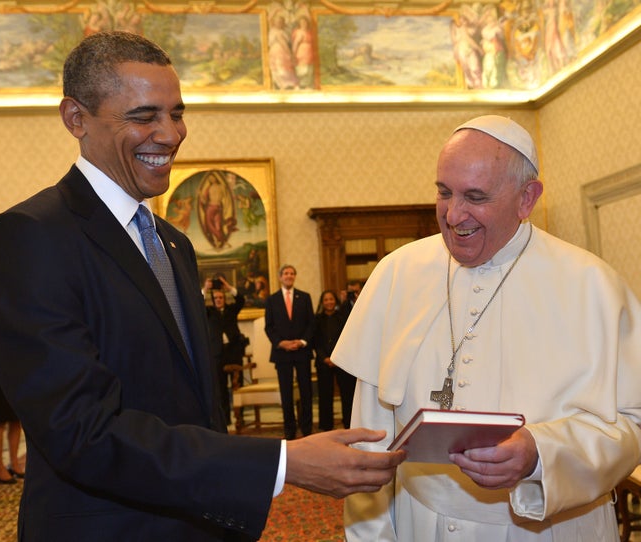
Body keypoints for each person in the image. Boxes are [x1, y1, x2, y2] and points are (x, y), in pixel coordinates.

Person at [0, 31, 403, 542]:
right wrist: (284, 462)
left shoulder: (172, 242)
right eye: (144, 116)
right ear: (75, 119)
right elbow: (82, 433)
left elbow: (194, 406)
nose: (172, 134)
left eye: (176, 113)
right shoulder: (29, 237)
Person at [332, 114, 641, 541]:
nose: (453, 214)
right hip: (421, 523)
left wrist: (540, 454)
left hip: (550, 528)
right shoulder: (397, 274)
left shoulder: (592, 286)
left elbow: (632, 424)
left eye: (475, 196)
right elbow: (370, 436)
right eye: (444, 192)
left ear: (526, 198)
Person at [264, 265, 316, 440]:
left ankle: (307, 427)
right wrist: (281, 343)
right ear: (280, 277)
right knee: (286, 394)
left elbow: (311, 324)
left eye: (292, 273)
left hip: (302, 351)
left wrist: (301, 342)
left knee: (306, 391)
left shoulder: (305, 297)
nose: (289, 276)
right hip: (282, 353)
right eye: (286, 273)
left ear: (295, 277)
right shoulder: (272, 300)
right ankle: (289, 429)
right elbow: (269, 327)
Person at [204, 275, 247, 425]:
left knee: (237, 385)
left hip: (233, 352)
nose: (219, 300)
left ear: (224, 298)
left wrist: (228, 287)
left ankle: (240, 418)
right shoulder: (208, 312)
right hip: (217, 354)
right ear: (213, 299)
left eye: (221, 297)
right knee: (221, 388)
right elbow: (195, 303)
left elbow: (241, 300)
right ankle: (226, 419)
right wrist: (206, 288)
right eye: (216, 298)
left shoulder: (231, 310)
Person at [313, 290, 356, 430]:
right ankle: (326, 426)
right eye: (326, 300)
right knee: (325, 395)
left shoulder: (343, 317)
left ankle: (349, 424)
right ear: (322, 302)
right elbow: (316, 341)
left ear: (335, 301)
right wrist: (324, 357)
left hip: (341, 361)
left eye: (331, 299)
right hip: (323, 361)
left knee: (347, 395)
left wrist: (336, 358)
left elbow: (346, 338)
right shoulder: (317, 319)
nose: (329, 302)